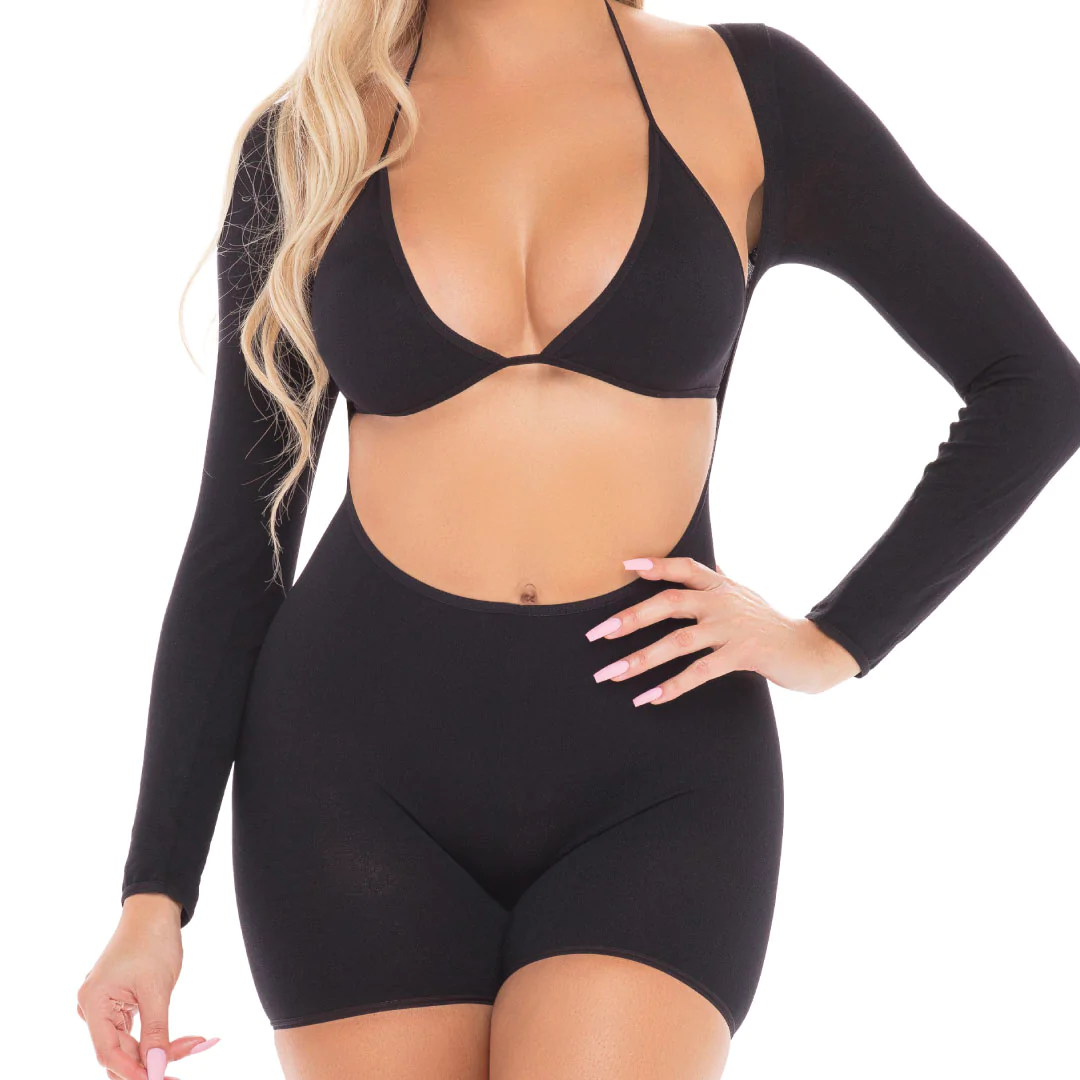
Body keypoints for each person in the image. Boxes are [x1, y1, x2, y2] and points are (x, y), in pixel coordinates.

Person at [77, 0, 1080, 1077]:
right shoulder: (316, 131)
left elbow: (1033, 388)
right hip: (349, 776)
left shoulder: (749, 92)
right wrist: (153, 898)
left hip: (658, 770)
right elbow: (241, 542)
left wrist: (833, 640)